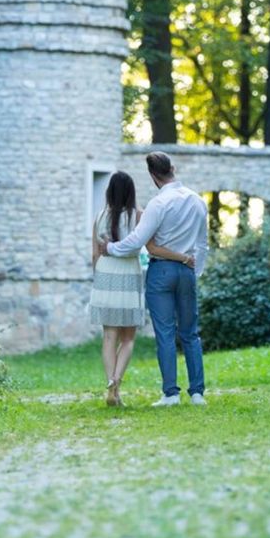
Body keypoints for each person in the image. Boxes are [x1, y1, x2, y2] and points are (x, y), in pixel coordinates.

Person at [105, 152, 209, 407]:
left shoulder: (158, 203)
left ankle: (171, 394)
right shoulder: (197, 201)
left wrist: (110, 249)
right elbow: (203, 245)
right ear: (173, 168)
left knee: (165, 333)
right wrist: (194, 273)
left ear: (153, 176)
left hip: (161, 271)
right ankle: (197, 393)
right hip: (186, 270)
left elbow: (136, 241)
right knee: (190, 334)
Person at [90, 171, 192, 407]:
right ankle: (116, 383)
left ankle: (109, 383)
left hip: (105, 275)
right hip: (128, 274)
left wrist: (101, 277)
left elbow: (95, 254)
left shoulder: (99, 217)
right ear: (131, 192)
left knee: (109, 336)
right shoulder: (138, 215)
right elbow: (149, 246)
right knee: (128, 338)